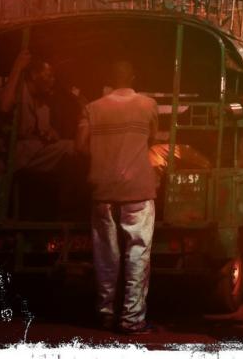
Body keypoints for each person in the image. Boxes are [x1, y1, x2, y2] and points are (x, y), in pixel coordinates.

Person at [76, 60, 158, 334]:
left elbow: (80, 147)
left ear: (110, 79)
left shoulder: (93, 108)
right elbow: (151, 139)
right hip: (137, 189)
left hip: (102, 190)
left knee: (105, 257)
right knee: (137, 254)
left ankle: (105, 315)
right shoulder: (148, 105)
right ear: (133, 77)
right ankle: (133, 320)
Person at [0, 48, 76, 176]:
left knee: (71, 148)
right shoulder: (18, 90)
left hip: (31, 154)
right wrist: (17, 68)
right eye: (49, 75)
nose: (52, 80)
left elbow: (45, 132)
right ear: (34, 75)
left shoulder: (43, 106)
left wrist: (51, 134)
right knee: (69, 148)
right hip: (11, 155)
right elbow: (4, 106)